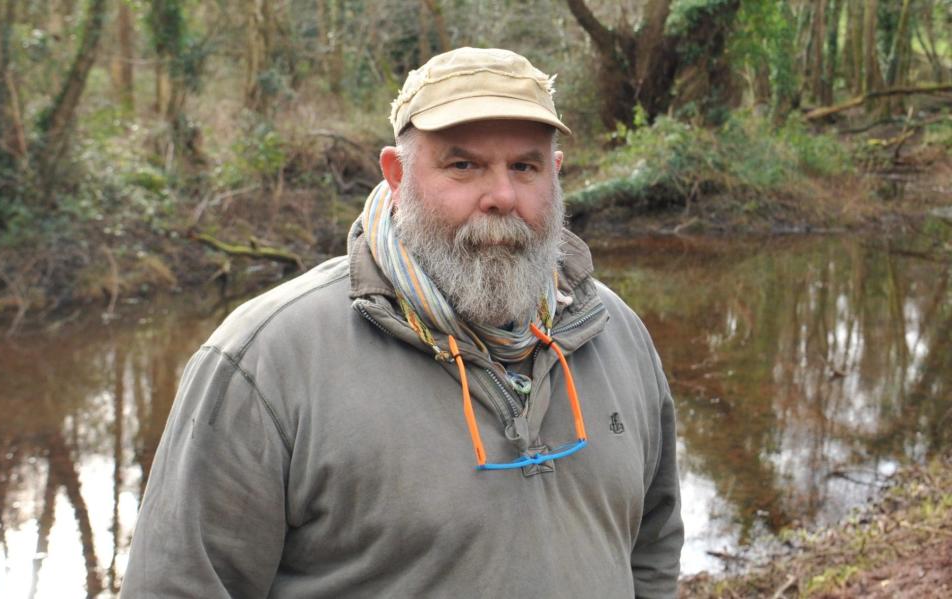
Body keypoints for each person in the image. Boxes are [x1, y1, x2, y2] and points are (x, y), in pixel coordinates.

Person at [122, 47, 683, 598]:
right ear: (396, 174)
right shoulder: (266, 360)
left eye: (525, 166)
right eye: (463, 165)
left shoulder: (615, 332)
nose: (502, 196)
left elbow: (652, 547)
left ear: (554, 175)